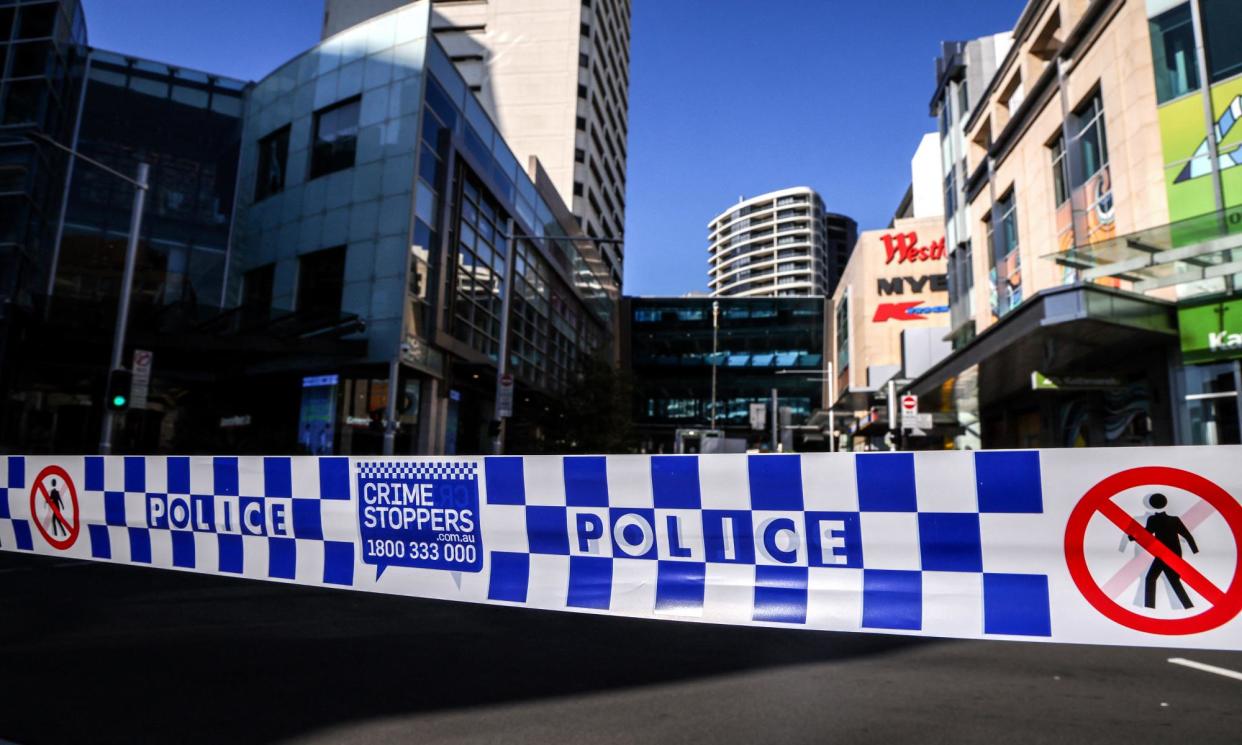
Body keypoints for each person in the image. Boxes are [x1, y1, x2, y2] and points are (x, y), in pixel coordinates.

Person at [1130, 492, 1199, 609]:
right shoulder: (1174, 520)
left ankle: (1149, 607)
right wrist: (1195, 551)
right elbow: (1187, 536)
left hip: (1163, 554)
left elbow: (1146, 533)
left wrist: (1132, 537)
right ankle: (1187, 605)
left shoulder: (1153, 519)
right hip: (1172, 553)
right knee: (1171, 580)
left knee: (1152, 578)